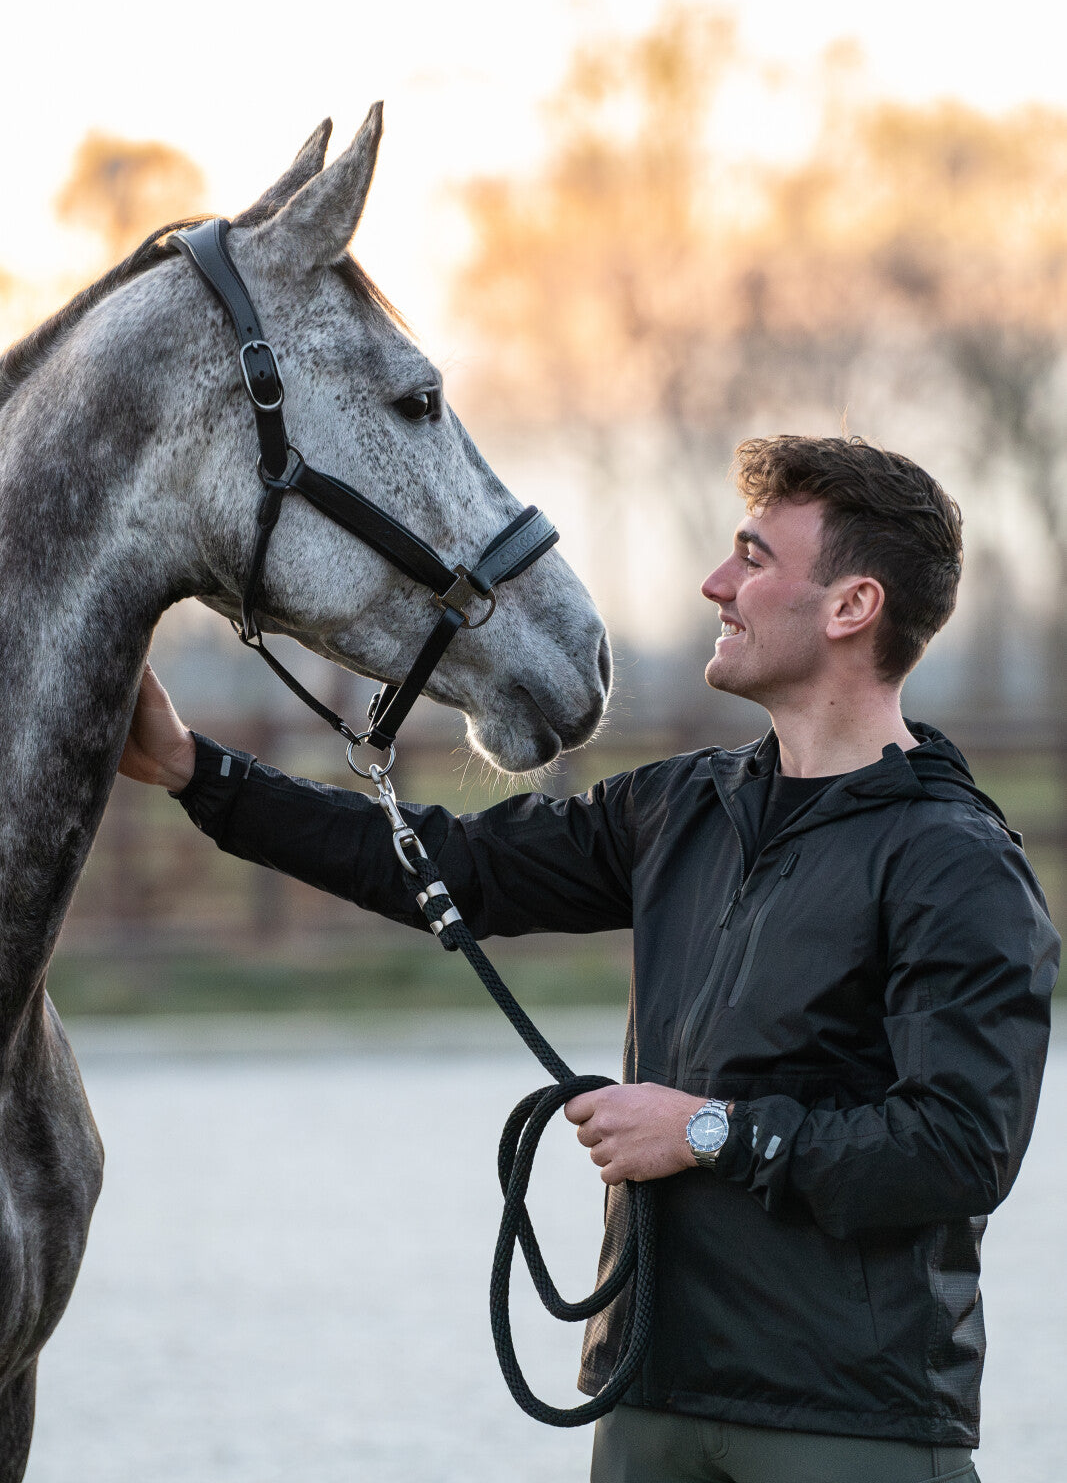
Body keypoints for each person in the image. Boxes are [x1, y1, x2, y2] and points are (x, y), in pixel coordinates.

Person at [122, 434, 1059, 1483]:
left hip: (846, 1422)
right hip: (647, 1396)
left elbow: (956, 1149)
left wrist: (707, 1131)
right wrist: (199, 773)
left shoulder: (955, 862)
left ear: (849, 608)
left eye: (752, 557)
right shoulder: (677, 806)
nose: (716, 582)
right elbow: (452, 865)